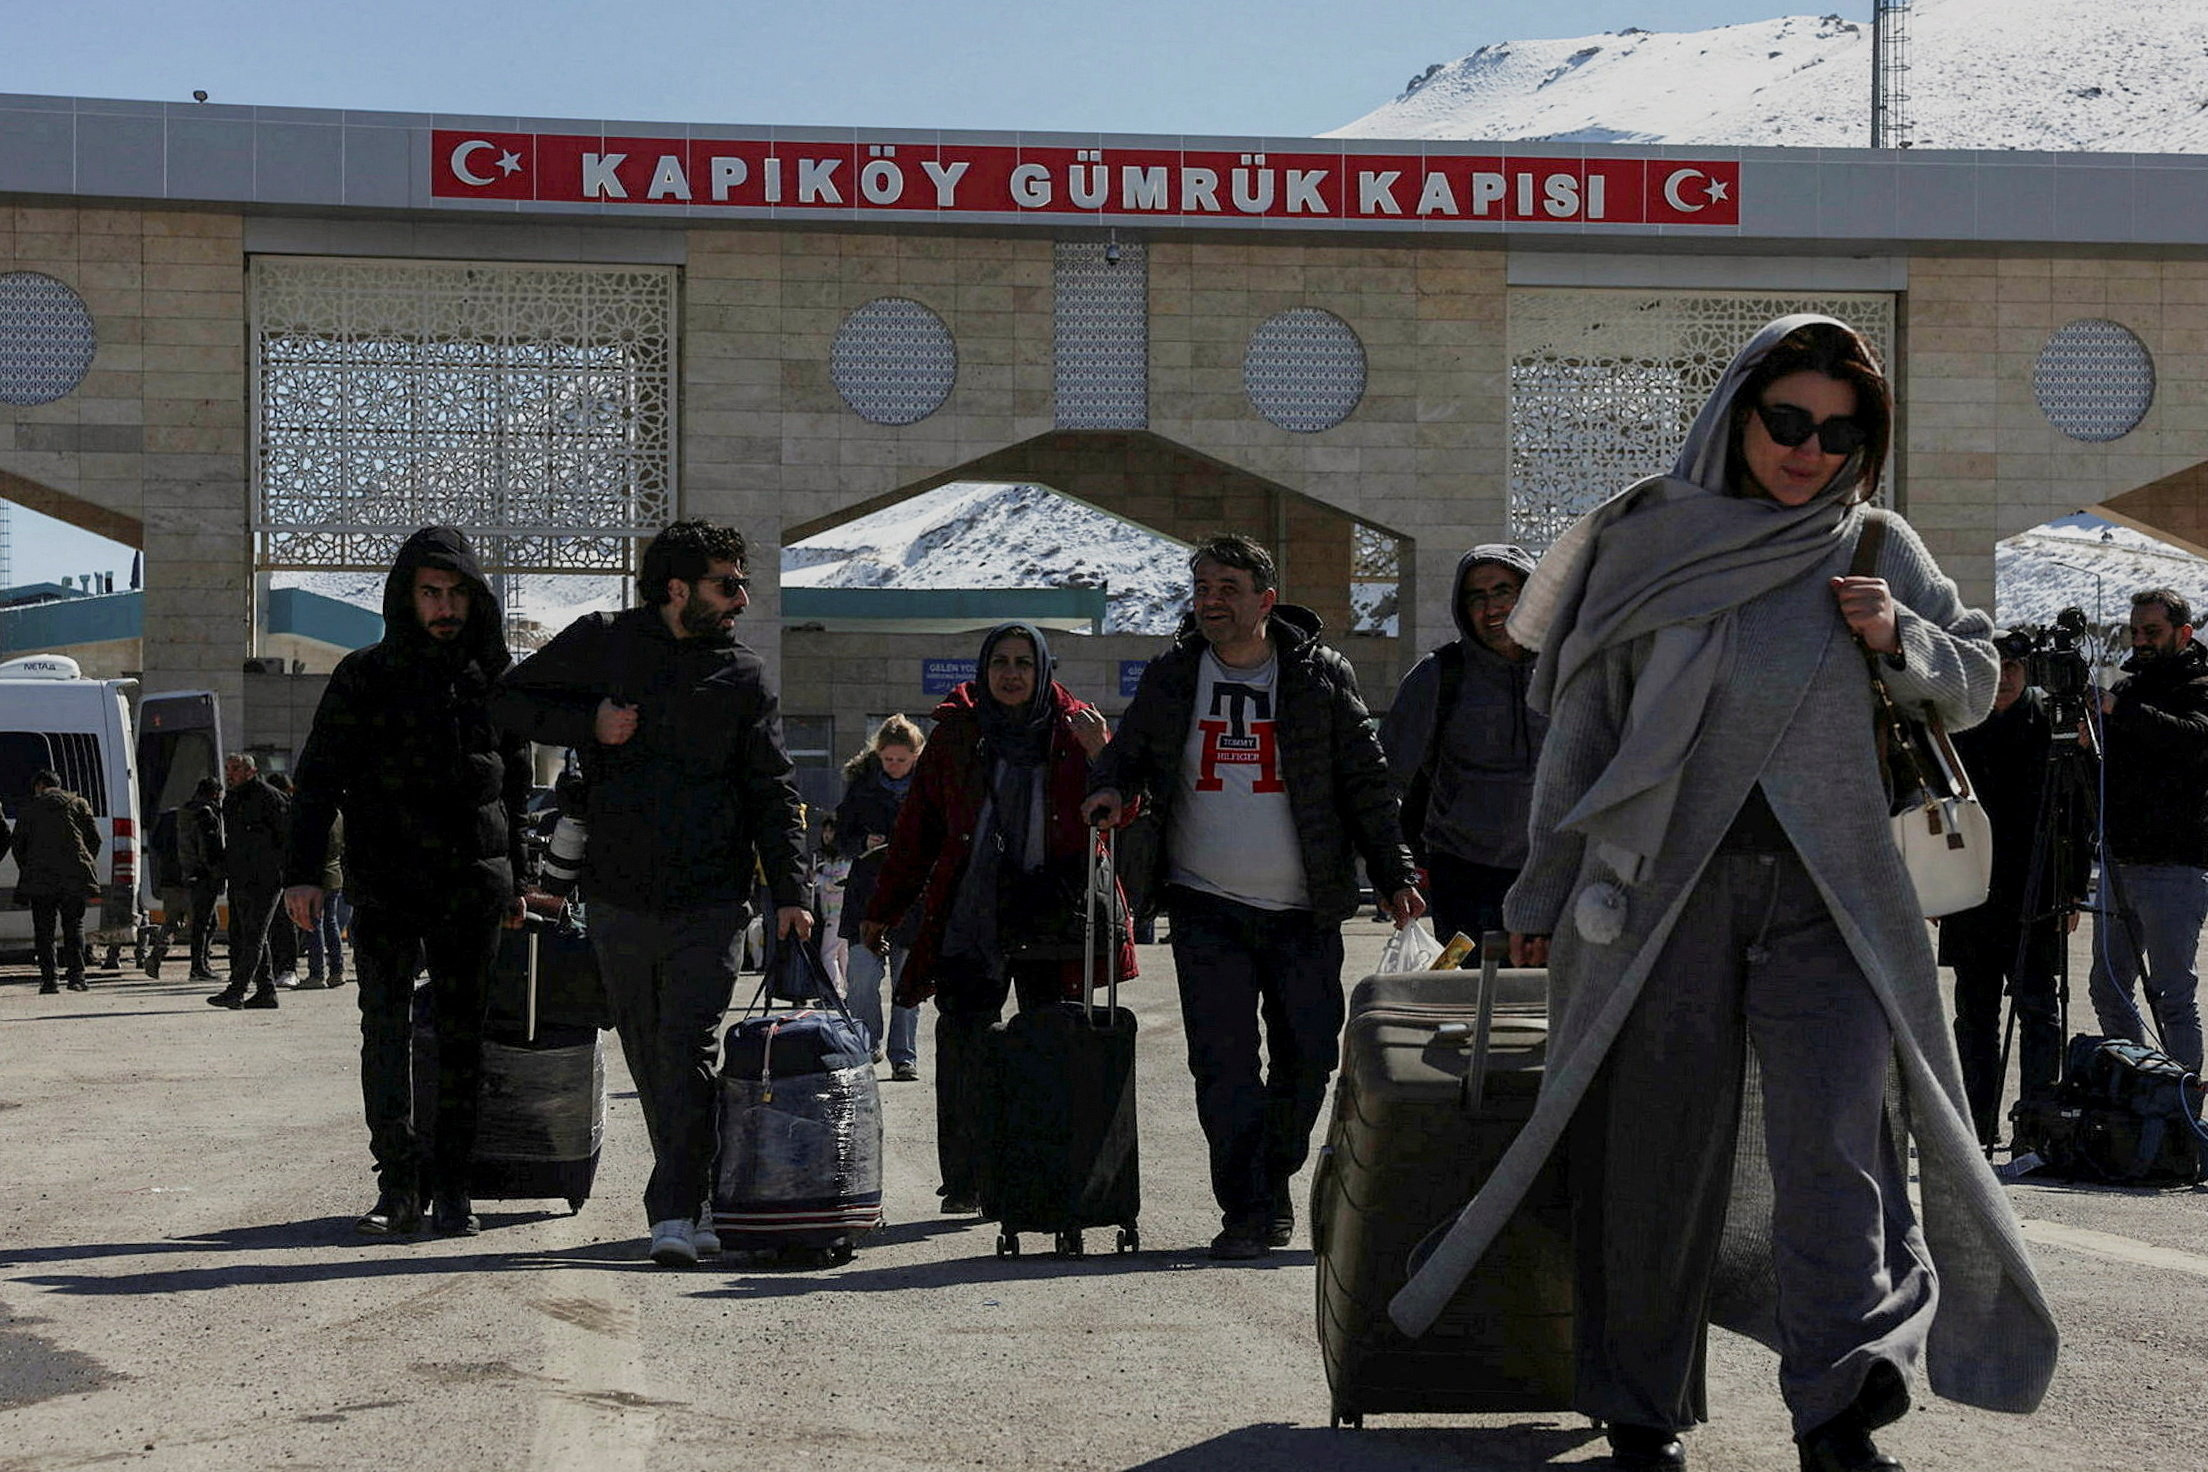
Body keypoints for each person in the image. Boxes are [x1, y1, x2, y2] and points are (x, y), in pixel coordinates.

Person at [1394, 316, 2055, 1472]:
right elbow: (1582, 724)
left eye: (1838, 432)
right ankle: (1641, 1411)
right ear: (1737, 413)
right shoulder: (1645, 538)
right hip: (1655, 896)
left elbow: (1981, 674)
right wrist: (1543, 882)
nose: (1809, 449)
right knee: (1649, 1156)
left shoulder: (1874, 543)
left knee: (1838, 1154)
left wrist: (1900, 637)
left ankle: (1839, 1410)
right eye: (1788, 421)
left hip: (1834, 900)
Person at [1085, 536, 1423, 1261]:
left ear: (1265, 600)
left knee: (1308, 1057)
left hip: (1304, 908)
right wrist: (1108, 787)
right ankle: (1248, 1208)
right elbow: (1131, 752)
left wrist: (1395, 873)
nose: (1211, 599)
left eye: (1228, 587)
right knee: (1224, 1063)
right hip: (1206, 905)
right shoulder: (1175, 676)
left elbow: (1366, 780)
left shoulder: (1320, 676)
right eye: (1202, 586)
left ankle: (1271, 1178)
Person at [491, 519, 810, 1268]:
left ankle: (674, 1207)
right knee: (644, 1048)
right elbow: (507, 702)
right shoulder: (605, 640)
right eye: (726, 584)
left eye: (742, 583)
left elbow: (773, 787)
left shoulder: (744, 675)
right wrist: (589, 723)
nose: (741, 599)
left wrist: (789, 889)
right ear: (677, 589)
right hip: (619, 895)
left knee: (687, 1043)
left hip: (712, 896)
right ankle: (696, 1192)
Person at [284, 527, 531, 1237]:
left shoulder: (493, 680)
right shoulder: (364, 675)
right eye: (431, 592)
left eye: (455, 592)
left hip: (472, 885)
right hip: (388, 882)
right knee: (385, 1032)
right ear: (407, 597)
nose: (444, 606)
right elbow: (318, 781)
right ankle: (398, 1185)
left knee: (462, 1041)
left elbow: (514, 785)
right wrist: (303, 875)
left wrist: (520, 876)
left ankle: (453, 1189)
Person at [864, 622, 1130, 1215]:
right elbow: (917, 834)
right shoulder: (958, 734)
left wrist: (1101, 755)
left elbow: (1125, 812)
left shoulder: (1075, 729)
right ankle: (966, 1180)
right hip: (972, 916)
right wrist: (884, 909)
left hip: (1054, 915)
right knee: (965, 1048)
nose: (1012, 674)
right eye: (1000, 663)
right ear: (984, 672)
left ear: (1043, 671)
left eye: (1024, 664)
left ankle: (1041, 1170)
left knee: (1048, 1045)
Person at [1939, 652, 2088, 1148]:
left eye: (2014, 667)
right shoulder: (1959, 723)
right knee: (1974, 1014)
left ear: (2029, 673)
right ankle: (1977, 1123)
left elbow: (2077, 813)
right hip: (1973, 890)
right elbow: (1934, 810)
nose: (2004, 677)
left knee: (2039, 1010)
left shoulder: (2049, 727)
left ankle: (2037, 1125)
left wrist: (2072, 886)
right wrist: (1935, 882)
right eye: (1996, 665)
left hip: (2036, 887)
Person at [1379, 543, 1546, 944]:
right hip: (1465, 882)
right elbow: (1382, 782)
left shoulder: (1570, 670)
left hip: (1556, 879)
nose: (1491, 608)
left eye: (1503, 592)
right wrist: (1393, 872)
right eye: (1477, 597)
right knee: (1470, 1002)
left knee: (1551, 1004)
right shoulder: (1438, 676)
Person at [2086, 587, 2208, 1073]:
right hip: (2120, 862)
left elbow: (2193, 738)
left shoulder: (2199, 683)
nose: (2142, 642)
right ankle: (2141, 1091)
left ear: (2184, 633)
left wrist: (2119, 712)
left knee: (2172, 995)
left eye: (2152, 632)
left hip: (2175, 866)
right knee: (2108, 986)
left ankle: (2178, 1116)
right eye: (2135, 632)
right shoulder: (2130, 685)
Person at [836, 714, 927, 1080]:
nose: (893, 766)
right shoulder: (861, 787)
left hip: (914, 898)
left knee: (909, 983)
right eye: (888, 759)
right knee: (860, 978)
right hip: (867, 897)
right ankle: (866, 1042)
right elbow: (840, 837)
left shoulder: (930, 788)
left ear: (916, 755)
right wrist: (862, 844)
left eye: (901, 760)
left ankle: (903, 1056)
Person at [209, 753, 289, 1010]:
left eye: (235, 769)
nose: (229, 774)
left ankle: (237, 990)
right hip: (241, 877)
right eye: (228, 769)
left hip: (266, 878)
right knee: (252, 935)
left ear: (250, 771)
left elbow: (286, 837)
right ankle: (266, 991)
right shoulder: (231, 800)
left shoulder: (268, 797)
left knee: (254, 934)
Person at [13, 769, 100, 994]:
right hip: (74, 878)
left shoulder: (30, 808)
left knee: (44, 931)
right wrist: (83, 863)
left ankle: (49, 980)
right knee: (74, 927)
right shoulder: (79, 804)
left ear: (40, 785)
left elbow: (18, 847)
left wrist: (29, 867)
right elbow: (94, 839)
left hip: (40, 878)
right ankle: (77, 978)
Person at [150, 777, 224, 982]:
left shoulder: (175, 815)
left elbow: (156, 846)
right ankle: (200, 965)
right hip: (198, 877)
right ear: (215, 793)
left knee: (174, 923)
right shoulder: (206, 814)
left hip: (173, 878)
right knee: (205, 923)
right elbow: (209, 849)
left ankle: (158, 958)